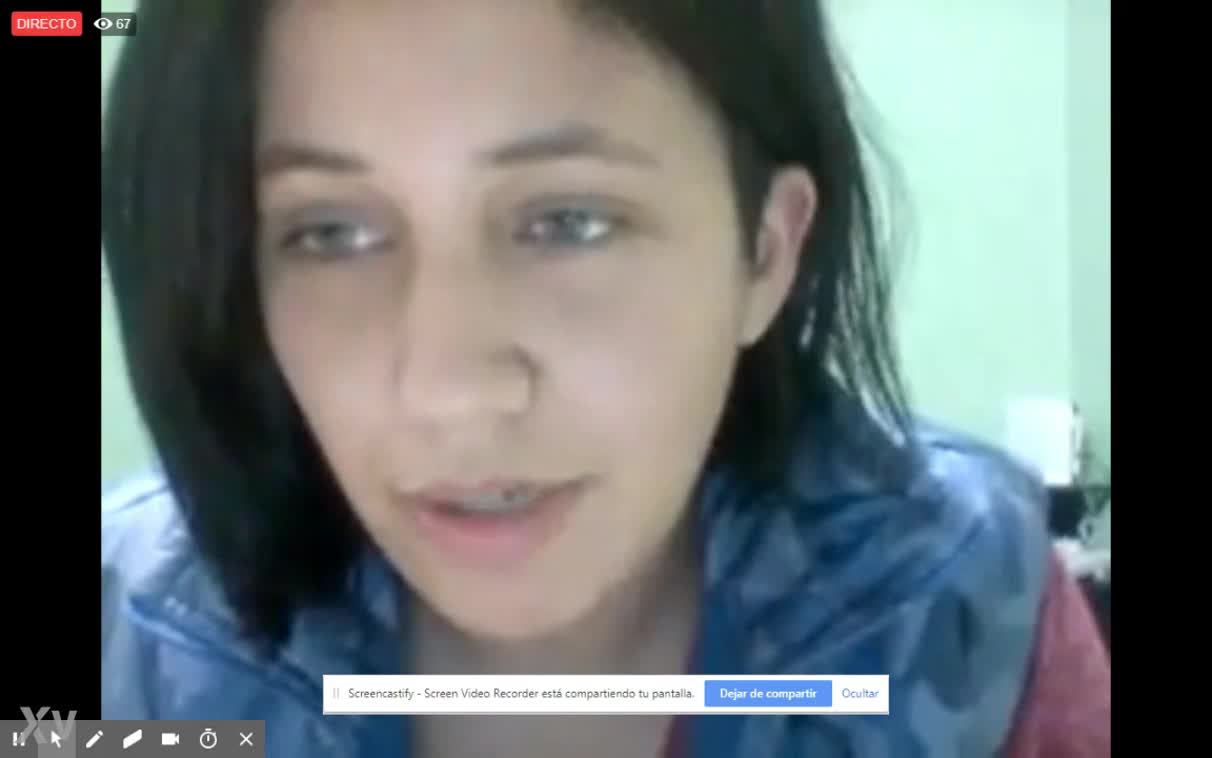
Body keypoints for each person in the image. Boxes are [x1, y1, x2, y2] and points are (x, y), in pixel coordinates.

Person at [100, 1, 1110, 756]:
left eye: (568, 221)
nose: (451, 388)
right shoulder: (129, 646)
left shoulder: (967, 610)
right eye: (331, 233)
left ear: (765, 251)